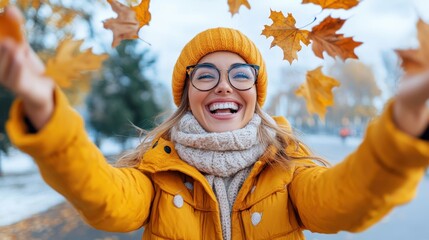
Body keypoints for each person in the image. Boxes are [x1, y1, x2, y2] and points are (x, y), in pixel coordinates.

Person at [1, 6, 429, 240]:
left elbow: (346, 201)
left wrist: (404, 126)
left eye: (240, 74)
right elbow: (103, 197)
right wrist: (46, 111)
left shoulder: (288, 167)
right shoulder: (157, 170)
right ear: (186, 93)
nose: (224, 86)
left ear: (255, 91)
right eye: (205, 75)